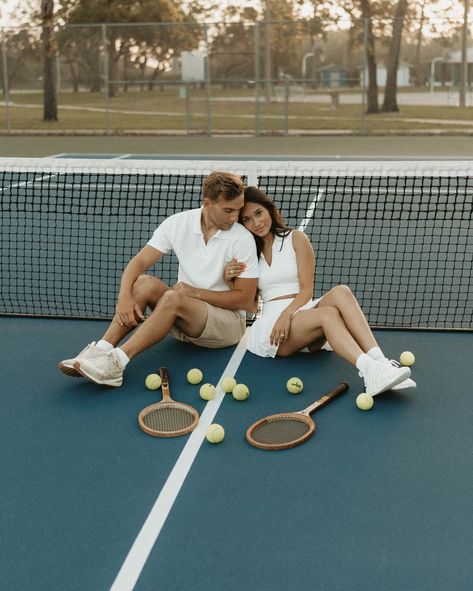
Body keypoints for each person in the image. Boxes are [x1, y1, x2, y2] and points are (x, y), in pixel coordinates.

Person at [59, 172, 259, 387]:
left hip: (226, 326)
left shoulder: (241, 238)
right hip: (184, 319)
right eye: (228, 210)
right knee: (144, 282)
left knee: (174, 297)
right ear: (207, 203)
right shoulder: (178, 224)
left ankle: (116, 364)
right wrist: (124, 296)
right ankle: (102, 350)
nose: (235, 217)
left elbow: (246, 302)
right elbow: (138, 264)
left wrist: (193, 292)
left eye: (238, 210)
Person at [224, 186, 415, 397]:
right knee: (328, 314)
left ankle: (381, 364)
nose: (256, 223)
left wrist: (287, 314)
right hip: (273, 330)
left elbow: (306, 290)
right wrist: (229, 279)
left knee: (341, 291)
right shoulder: (249, 253)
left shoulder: (296, 239)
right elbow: (250, 305)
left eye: (258, 213)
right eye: (247, 220)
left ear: (270, 210)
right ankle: (370, 371)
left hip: (300, 311)